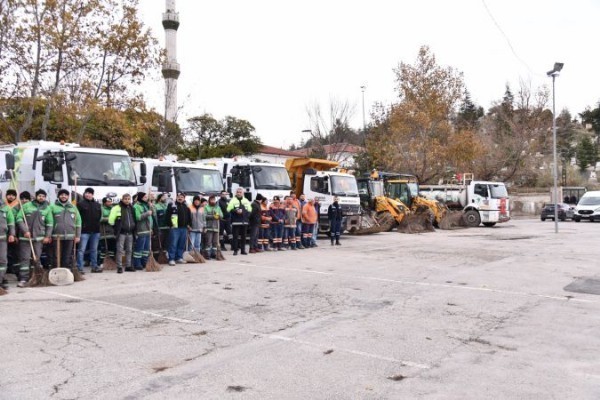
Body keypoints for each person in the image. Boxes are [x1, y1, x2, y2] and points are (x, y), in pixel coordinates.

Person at [15, 189, 52, 286]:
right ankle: (23, 279)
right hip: (25, 238)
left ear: (45, 197)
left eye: (43, 196)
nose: (41, 198)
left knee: (36, 258)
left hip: (39, 239)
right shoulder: (26, 206)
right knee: (25, 258)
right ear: (35, 196)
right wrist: (25, 231)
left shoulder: (47, 208)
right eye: (39, 196)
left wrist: (47, 236)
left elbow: (50, 223)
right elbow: (19, 219)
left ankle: (35, 277)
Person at [49, 189, 82, 270]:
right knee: (56, 256)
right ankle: (56, 272)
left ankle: (66, 273)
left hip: (70, 236)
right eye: (62, 194)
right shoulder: (52, 207)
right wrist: (48, 235)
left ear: (68, 196)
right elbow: (49, 222)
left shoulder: (73, 207)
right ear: (58, 196)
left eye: (66, 195)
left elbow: (78, 222)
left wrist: (78, 236)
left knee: (67, 256)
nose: (64, 196)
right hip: (57, 236)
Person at [77, 187, 102, 273]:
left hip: (95, 231)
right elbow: (77, 218)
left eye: (89, 193)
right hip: (84, 231)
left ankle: (94, 267)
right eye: (86, 193)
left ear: (92, 194)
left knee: (94, 250)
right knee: (81, 250)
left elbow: (99, 216)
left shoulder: (97, 205)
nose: (88, 194)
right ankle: (79, 268)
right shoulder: (80, 204)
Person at [108, 193, 135, 273]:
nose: (127, 200)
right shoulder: (117, 208)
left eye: (128, 199)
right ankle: (119, 267)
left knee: (129, 250)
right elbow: (111, 220)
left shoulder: (131, 208)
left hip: (130, 232)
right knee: (120, 250)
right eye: (125, 199)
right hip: (121, 233)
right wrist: (116, 228)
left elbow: (134, 219)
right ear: (122, 199)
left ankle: (128, 266)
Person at [165, 192, 192, 265]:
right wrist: (170, 224)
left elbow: (189, 216)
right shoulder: (172, 205)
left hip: (184, 228)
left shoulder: (186, 206)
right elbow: (167, 216)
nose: (180, 198)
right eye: (179, 197)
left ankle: (179, 257)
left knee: (181, 244)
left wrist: (189, 224)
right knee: (173, 243)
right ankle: (171, 259)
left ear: (184, 198)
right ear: (176, 197)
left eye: (182, 197)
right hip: (175, 228)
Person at [226, 188, 252, 256]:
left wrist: (246, 216)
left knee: (244, 237)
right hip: (236, 222)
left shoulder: (246, 200)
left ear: (243, 193)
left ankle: (243, 250)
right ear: (236, 193)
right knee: (235, 237)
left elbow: (250, 210)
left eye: (240, 192)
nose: (239, 193)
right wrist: (235, 211)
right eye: (237, 192)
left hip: (244, 222)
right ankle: (235, 250)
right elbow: (228, 209)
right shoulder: (233, 200)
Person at [133, 192, 153, 271]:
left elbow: (153, 215)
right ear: (140, 197)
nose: (146, 199)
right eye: (145, 197)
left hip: (148, 230)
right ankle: (137, 263)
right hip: (141, 230)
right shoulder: (136, 206)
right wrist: (147, 213)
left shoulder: (146, 205)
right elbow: (138, 217)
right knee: (139, 248)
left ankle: (144, 262)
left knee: (146, 249)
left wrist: (152, 207)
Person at [0, 191, 16, 290]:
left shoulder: (5, 207)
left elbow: (11, 222)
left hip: (2, 239)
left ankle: (0, 281)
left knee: (2, 261)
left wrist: (12, 234)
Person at [98, 197, 115, 267]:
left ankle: (111, 261)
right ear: (104, 202)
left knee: (112, 249)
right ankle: (101, 262)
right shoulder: (101, 209)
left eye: (110, 201)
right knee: (104, 248)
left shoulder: (113, 209)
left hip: (113, 232)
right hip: (104, 231)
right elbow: (100, 219)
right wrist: (110, 219)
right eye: (108, 201)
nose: (110, 203)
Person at [153, 193, 170, 258]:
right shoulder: (156, 206)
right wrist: (156, 227)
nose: (165, 198)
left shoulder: (166, 206)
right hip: (160, 228)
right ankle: (157, 258)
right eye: (163, 197)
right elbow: (155, 217)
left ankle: (164, 258)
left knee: (166, 243)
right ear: (159, 198)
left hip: (167, 227)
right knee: (158, 243)